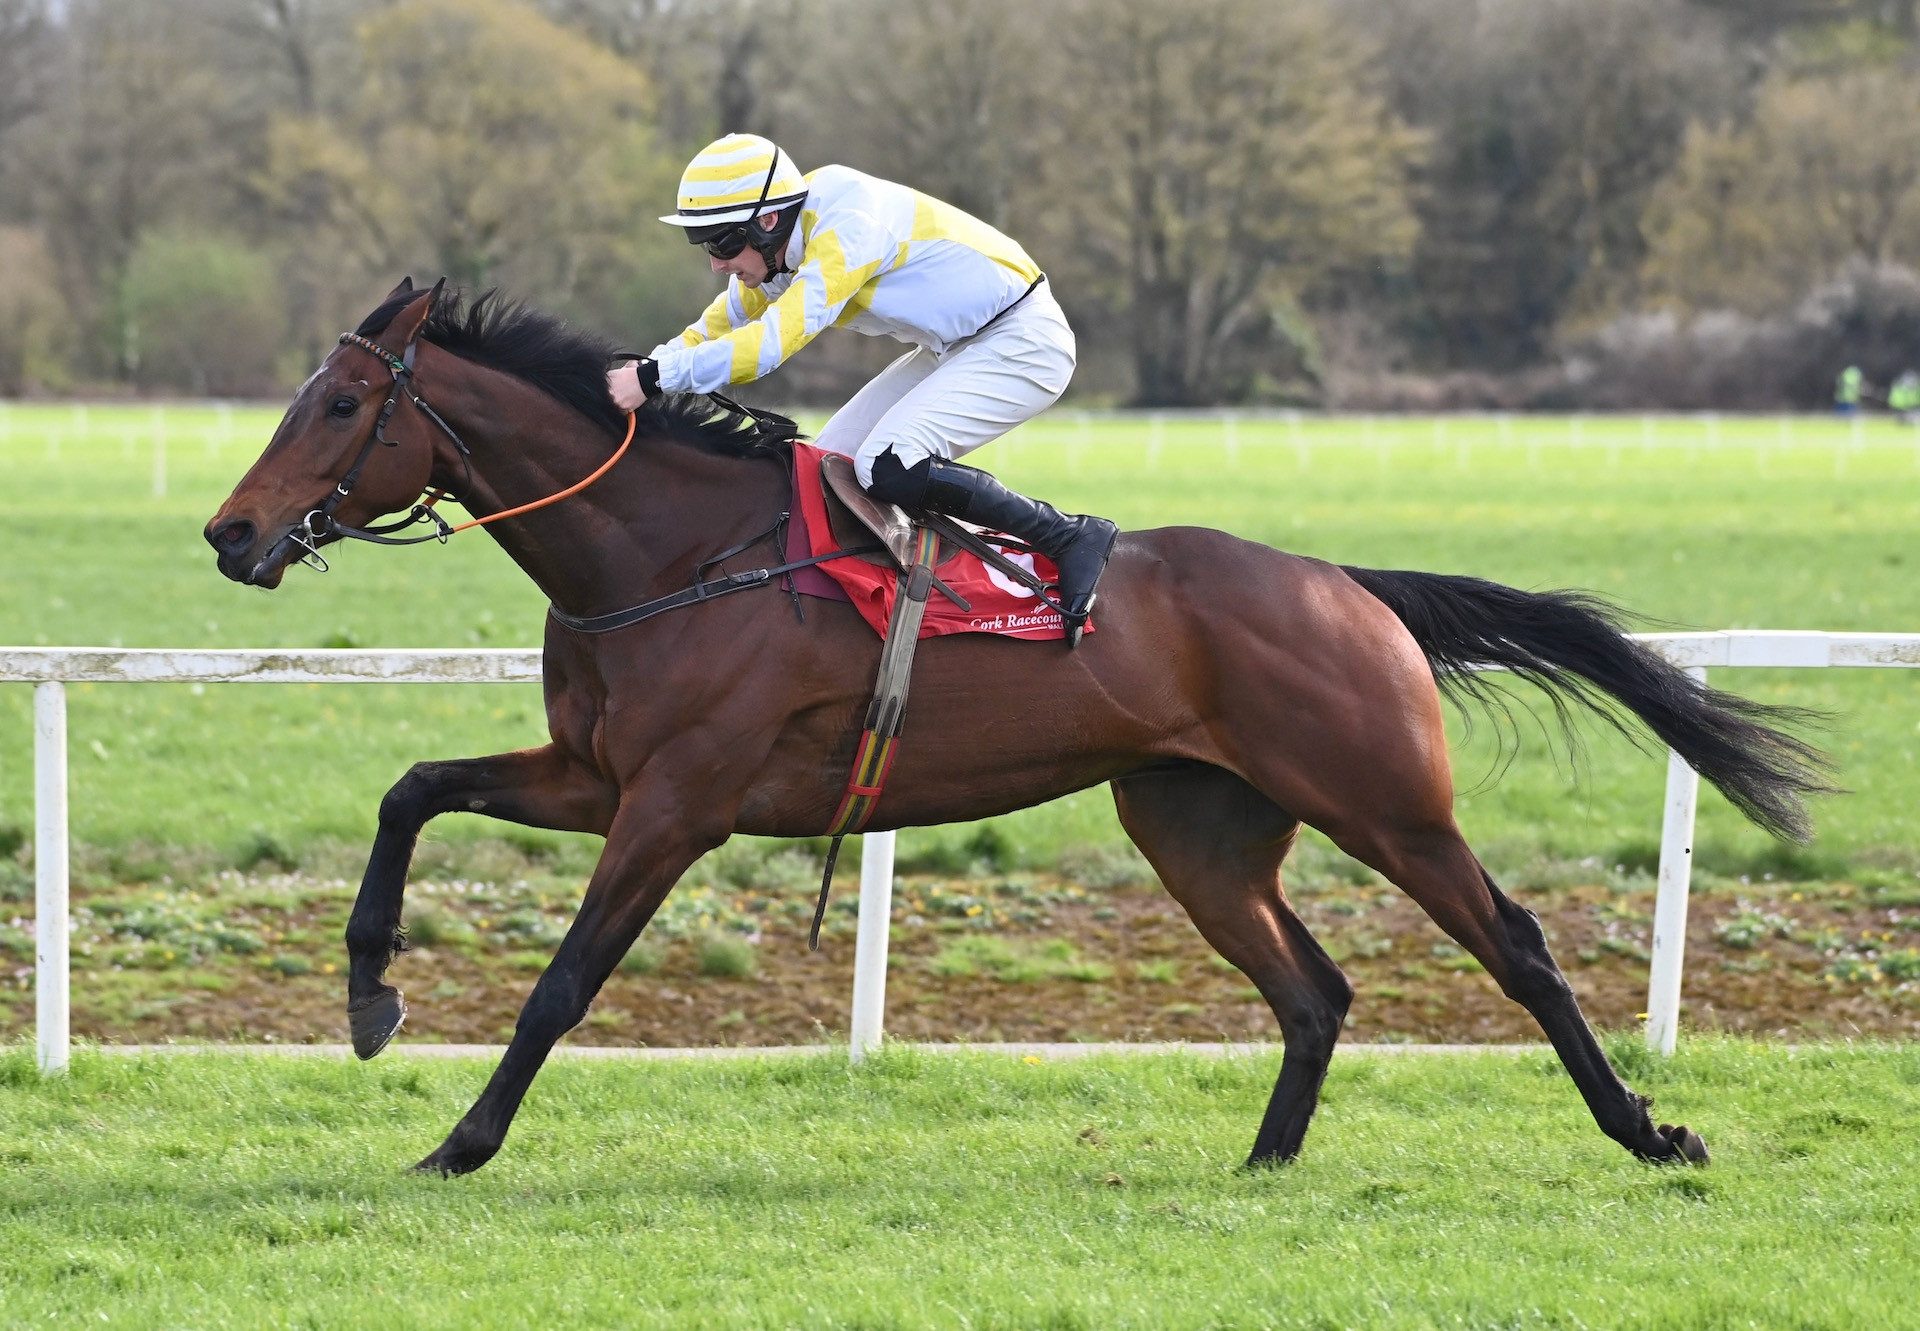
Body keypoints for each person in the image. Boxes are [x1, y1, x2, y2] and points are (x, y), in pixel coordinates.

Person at [606, 133, 1118, 641]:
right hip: (957, 346)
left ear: (768, 221)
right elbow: (711, 330)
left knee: (888, 465)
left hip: (1025, 339)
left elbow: (766, 348)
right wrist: (635, 370)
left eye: (722, 243)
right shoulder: (777, 252)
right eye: (706, 245)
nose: (717, 264)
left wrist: (651, 380)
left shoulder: (846, 226)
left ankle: (1069, 536)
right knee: (824, 471)